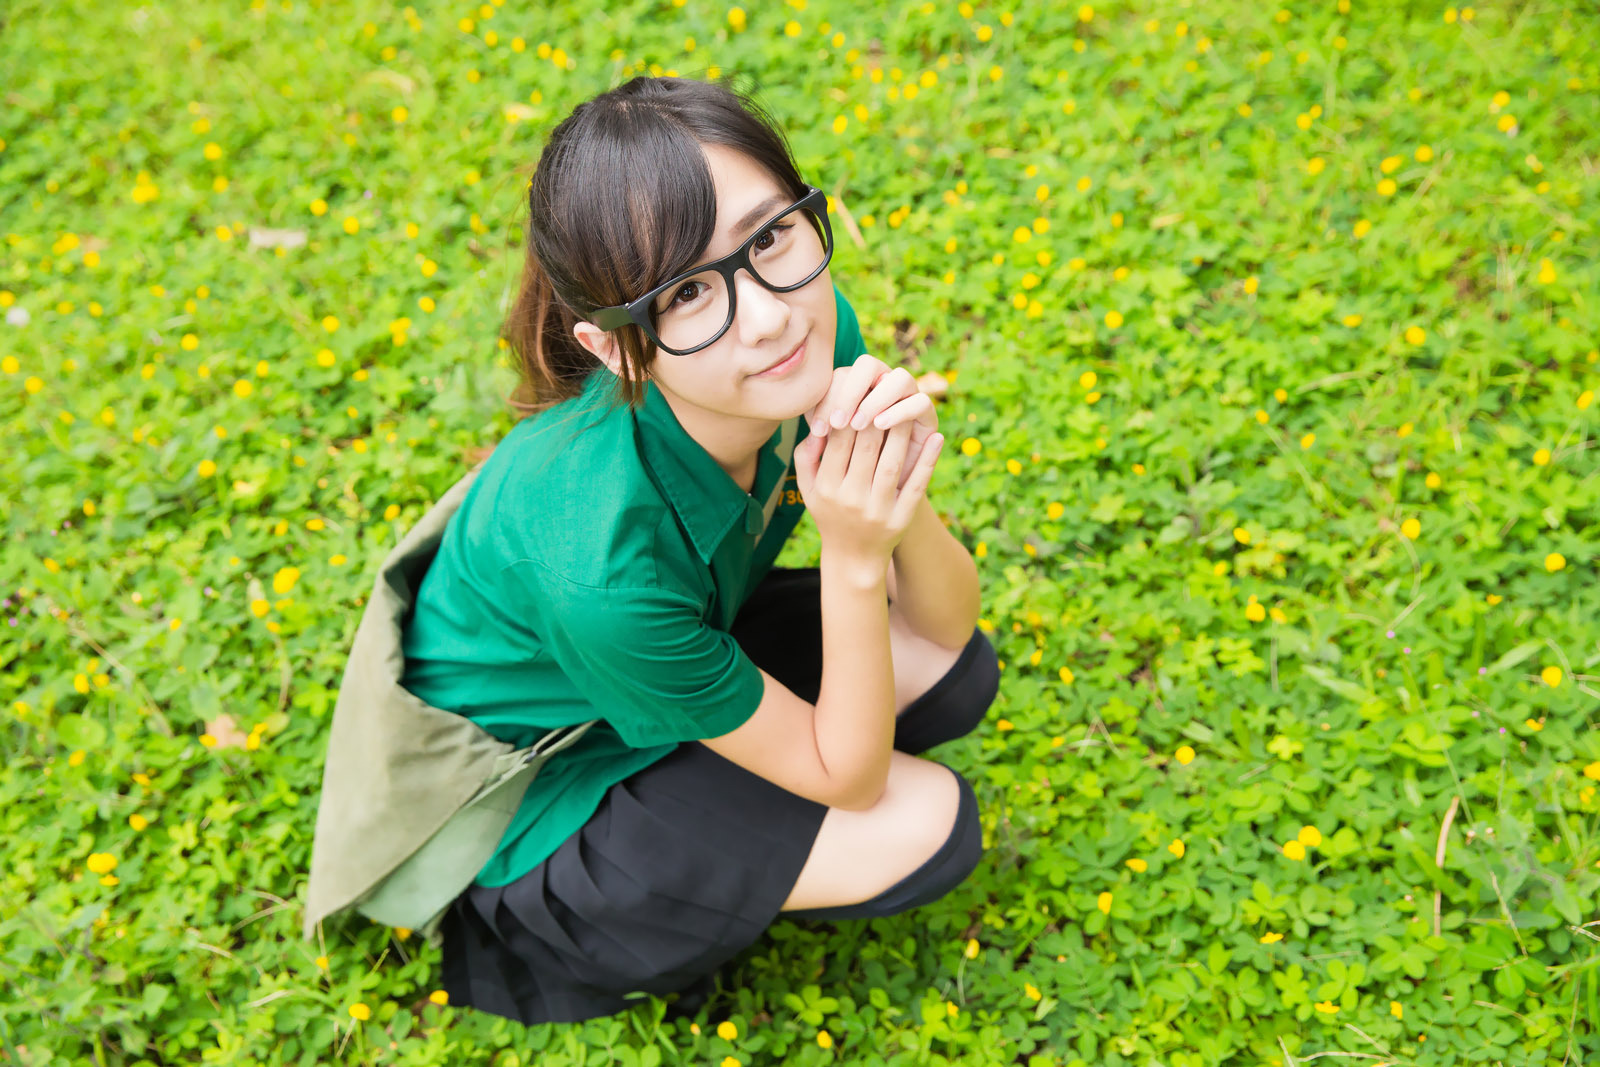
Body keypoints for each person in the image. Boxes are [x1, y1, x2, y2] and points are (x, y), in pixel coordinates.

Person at [398, 74, 1002, 1027]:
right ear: (613, 347)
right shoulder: (604, 572)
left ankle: (726, 784)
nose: (767, 316)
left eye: (769, 238)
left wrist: (897, 494)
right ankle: (587, 921)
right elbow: (854, 781)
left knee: (953, 673)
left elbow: (944, 627)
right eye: (685, 292)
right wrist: (853, 559)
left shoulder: (805, 345)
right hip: (545, 784)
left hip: (664, 659)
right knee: (926, 821)